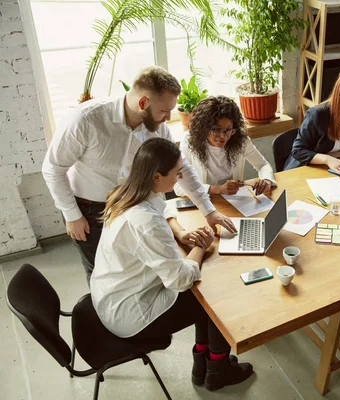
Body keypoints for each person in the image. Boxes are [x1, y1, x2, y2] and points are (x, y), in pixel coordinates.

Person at [42, 66, 236, 285]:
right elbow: (52, 168)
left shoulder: (157, 127)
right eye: (164, 111)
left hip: (133, 206)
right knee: (100, 274)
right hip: (89, 211)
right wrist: (71, 214)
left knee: (136, 272)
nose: (168, 117)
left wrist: (208, 210)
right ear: (143, 103)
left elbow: (180, 168)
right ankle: (102, 315)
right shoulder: (86, 119)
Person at [91, 138, 253, 391]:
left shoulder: (127, 192)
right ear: (157, 176)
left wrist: (179, 233)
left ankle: (205, 363)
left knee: (204, 288)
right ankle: (217, 370)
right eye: (177, 174)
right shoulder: (144, 222)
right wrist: (202, 245)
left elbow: (162, 206)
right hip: (130, 315)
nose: (180, 178)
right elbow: (181, 280)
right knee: (215, 297)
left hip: (112, 294)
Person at [175, 95, 276, 197]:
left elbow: (263, 165)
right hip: (206, 201)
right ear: (204, 128)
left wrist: (266, 180)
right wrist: (217, 189)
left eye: (228, 130)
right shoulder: (189, 141)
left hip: (235, 201)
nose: (223, 136)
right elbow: (178, 188)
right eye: (217, 130)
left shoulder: (239, 138)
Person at [283, 70, 340, 173]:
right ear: (339, 93)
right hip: (304, 168)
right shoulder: (317, 114)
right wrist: (327, 159)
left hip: (333, 168)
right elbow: (297, 151)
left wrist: (338, 155)